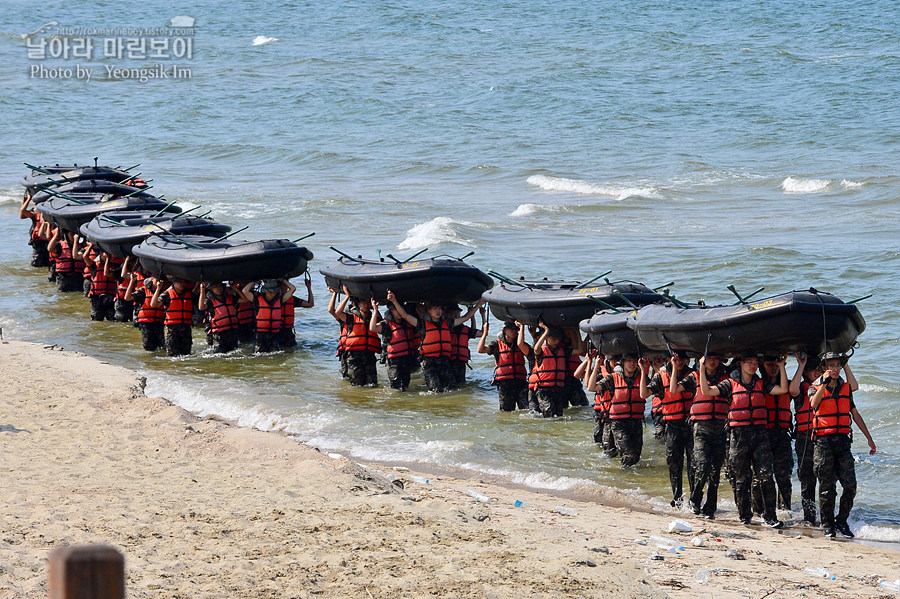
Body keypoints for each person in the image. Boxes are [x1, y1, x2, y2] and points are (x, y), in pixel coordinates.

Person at [700, 353, 789, 528]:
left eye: (756, 363)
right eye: (750, 362)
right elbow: (707, 391)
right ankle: (744, 515)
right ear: (741, 364)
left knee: (766, 475)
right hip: (739, 436)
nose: (753, 366)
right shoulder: (729, 384)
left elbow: (782, 389)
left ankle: (770, 516)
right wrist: (702, 369)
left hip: (760, 434)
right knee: (742, 478)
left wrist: (782, 367)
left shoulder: (761, 383)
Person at [809, 352, 875, 538]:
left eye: (838, 365)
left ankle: (841, 520)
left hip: (843, 443)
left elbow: (855, 414)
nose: (835, 369)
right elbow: (814, 404)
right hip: (823, 444)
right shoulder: (815, 387)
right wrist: (823, 383)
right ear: (824, 368)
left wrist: (869, 438)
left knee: (850, 485)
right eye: (831, 365)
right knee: (827, 488)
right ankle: (827, 524)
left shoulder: (845, 388)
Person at [387, 291, 483, 393]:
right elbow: (405, 315)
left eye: (439, 309)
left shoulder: (448, 323)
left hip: (444, 362)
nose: (438, 311)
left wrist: (479, 304)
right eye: (435, 309)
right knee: (436, 390)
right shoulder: (422, 324)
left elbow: (465, 317)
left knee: (452, 389)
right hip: (429, 363)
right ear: (429, 311)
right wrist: (394, 301)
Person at [673, 352, 729, 519]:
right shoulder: (694, 376)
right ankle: (695, 500)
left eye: (715, 358)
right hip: (701, 428)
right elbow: (674, 389)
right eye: (709, 358)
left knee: (715, 471)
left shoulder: (726, 378)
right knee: (702, 466)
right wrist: (675, 368)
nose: (712, 361)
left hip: (720, 427)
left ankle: (710, 507)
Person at [643, 351, 695, 507]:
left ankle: (694, 498)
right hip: (673, 424)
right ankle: (677, 498)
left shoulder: (692, 375)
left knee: (694, 463)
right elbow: (644, 394)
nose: (680, 362)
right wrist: (642, 370)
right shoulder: (661, 375)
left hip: (691, 424)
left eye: (683, 359)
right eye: (677, 359)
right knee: (674, 462)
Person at [752, 355, 794, 513]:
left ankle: (785, 511)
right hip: (763, 434)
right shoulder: (758, 385)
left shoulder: (789, 386)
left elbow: (792, 389)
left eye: (778, 364)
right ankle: (758, 511)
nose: (774, 367)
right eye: (770, 364)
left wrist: (783, 366)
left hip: (782, 434)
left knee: (784, 476)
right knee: (760, 476)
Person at [588, 353, 645, 467]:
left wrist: (644, 370)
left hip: (636, 422)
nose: (632, 363)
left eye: (634, 361)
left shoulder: (641, 377)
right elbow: (592, 387)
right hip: (619, 423)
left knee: (636, 457)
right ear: (623, 362)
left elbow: (652, 390)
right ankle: (624, 478)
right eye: (629, 360)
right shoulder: (613, 378)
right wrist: (596, 365)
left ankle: (627, 479)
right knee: (629, 455)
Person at [790, 352, 823, 525]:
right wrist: (801, 365)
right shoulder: (801, 388)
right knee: (807, 479)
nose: (816, 372)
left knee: (826, 479)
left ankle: (826, 517)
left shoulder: (826, 386)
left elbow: (851, 387)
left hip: (823, 437)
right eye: (812, 370)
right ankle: (809, 518)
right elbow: (793, 390)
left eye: (819, 369)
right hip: (804, 438)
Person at [330, 287, 381, 386]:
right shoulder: (351, 318)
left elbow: (381, 323)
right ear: (357, 304)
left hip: (369, 355)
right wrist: (347, 296)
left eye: (368, 303)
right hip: (354, 356)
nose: (366, 305)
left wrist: (375, 308)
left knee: (372, 385)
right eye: (363, 302)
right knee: (357, 385)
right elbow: (337, 312)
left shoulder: (373, 317)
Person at [478, 320, 531, 411]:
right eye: (512, 329)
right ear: (505, 330)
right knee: (506, 412)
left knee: (526, 409)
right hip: (505, 384)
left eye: (516, 329)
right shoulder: (497, 345)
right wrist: (484, 334)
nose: (514, 331)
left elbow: (533, 354)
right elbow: (481, 349)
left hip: (520, 382)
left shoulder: (520, 344)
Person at [370, 298, 419, 391]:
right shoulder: (386, 324)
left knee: (405, 386)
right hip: (394, 362)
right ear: (391, 310)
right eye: (396, 310)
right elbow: (373, 328)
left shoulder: (407, 323)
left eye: (400, 309)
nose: (399, 312)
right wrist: (375, 310)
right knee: (397, 388)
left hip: (406, 359)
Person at [240, 279, 295, 353]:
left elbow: (293, 289)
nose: (273, 294)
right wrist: (254, 281)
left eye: (274, 292)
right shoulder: (257, 300)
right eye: (270, 292)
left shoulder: (280, 300)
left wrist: (282, 280)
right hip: (261, 337)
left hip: (274, 336)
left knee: (275, 356)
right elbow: (245, 291)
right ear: (265, 292)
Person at [531, 326, 572, 418]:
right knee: (548, 411)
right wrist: (546, 332)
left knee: (559, 414)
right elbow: (536, 348)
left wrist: (575, 331)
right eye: (553, 338)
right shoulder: (542, 351)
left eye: (558, 338)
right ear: (547, 338)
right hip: (544, 390)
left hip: (558, 389)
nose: (556, 341)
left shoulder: (562, 351)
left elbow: (580, 350)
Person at [150, 278, 196, 357]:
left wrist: (201, 287)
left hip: (186, 329)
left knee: (187, 355)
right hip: (172, 329)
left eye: (184, 282)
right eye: (179, 281)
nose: (182, 284)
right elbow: (153, 304)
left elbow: (201, 305)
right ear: (174, 282)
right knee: (173, 355)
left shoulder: (190, 294)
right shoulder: (167, 294)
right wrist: (158, 289)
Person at [125, 274, 166, 352]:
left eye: (161, 281)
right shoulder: (143, 290)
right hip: (146, 323)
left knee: (162, 346)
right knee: (149, 347)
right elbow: (127, 298)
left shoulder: (164, 292)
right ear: (152, 279)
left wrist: (158, 289)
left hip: (159, 322)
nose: (159, 282)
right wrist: (132, 282)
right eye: (157, 280)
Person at [447, 304, 484, 386]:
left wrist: (483, 315)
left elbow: (482, 333)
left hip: (460, 363)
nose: (456, 315)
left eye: (457, 313)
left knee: (461, 384)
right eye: (453, 314)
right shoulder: (445, 328)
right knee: (449, 385)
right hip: (448, 362)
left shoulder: (465, 329)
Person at [198, 281, 240, 354]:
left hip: (232, 332)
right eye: (216, 287)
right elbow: (201, 307)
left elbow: (245, 299)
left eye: (220, 286)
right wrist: (202, 291)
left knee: (234, 353)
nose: (219, 288)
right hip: (219, 335)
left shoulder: (229, 298)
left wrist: (235, 289)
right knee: (219, 354)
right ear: (211, 289)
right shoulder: (210, 301)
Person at [279, 277, 314, 349]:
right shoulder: (273, 299)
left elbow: (310, 304)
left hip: (288, 332)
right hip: (276, 332)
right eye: (280, 285)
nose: (283, 288)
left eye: (284, 285)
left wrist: (309, 288)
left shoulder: (292, 299)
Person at [84, 246, 117, 321]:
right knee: (97, 319)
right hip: (97, 298)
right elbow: (85, 257)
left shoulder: (113, 266)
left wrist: (108, 259)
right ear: (100, 254)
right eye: (105, 253)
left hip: (110, 296)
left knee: (112, 319)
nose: (107, 255)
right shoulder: (94, 265)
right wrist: (91, 245)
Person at [46, 228, 82, 292]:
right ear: (66, 234)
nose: (73, 236)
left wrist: (76, 241)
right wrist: (56, 234)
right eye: (71, 234)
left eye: (74, 234)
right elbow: (50, 248)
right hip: (63, 277)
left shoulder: (81, 246)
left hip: (77, 277)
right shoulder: (60, 245)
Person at [20, 193, 50, 268]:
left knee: (48, 262)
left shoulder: (50, 211)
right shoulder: (34, 213)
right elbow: (22, 213)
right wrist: (28, 199)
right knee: (36, 263)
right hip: (38, 241)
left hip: (47, 239)